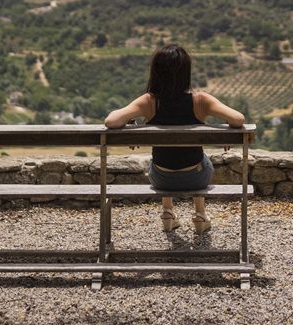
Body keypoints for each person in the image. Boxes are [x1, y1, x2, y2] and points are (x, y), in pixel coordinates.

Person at [104, 44, 246, 233]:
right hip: (196, 178)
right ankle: (200, 215)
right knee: (202, 160)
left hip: (162, 179)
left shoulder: (149, 102)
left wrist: (132, 125)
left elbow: (111, 121)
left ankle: (168, 211)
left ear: (156, 72)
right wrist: (223, 130)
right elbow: (238, 118)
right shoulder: (200, 100)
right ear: (186, 72)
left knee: (160, 159)